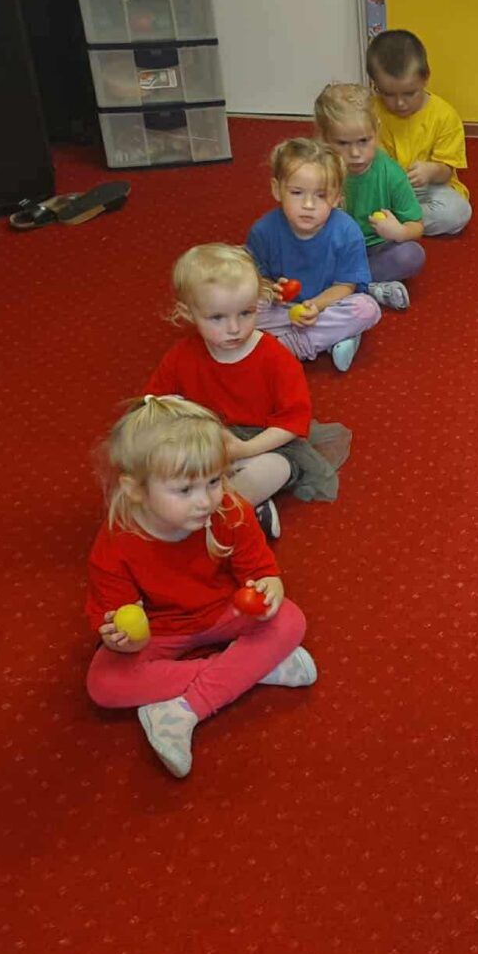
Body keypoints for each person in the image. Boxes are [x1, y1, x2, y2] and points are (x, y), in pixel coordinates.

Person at [84, 395, 317, 779]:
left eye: (214, 481)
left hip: (226, 611)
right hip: (162, 630)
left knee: (290, 620)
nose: (206, 500)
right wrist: (122, 639)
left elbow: (259, 570)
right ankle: (251, 668)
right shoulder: (115, 544)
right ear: (135, 489)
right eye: (184, 490)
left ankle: (181, 711)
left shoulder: (231, 510)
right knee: (103, 683)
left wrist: (269, 587)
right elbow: (116, 620)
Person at [146, 243, 352, 540]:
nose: (234, 328)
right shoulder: (181, 356)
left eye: (246, 313)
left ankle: (222, 516)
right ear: (188, 313)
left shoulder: (276, 357)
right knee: (154, 463)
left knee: (274, 469)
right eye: (217, 318)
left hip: (263, 445)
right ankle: (245, 509)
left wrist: (245, 449)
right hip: (203, 447)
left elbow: (292, 423)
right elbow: (155, 405)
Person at [247, 138, 382, 372]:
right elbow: (255, 281)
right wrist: (271, 289)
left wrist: (316, 306)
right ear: (277, 189)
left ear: (337, 198)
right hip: (282, 310)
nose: (308, 204)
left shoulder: (347, 231)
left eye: (321, 195)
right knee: (236, 306)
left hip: (327, 307)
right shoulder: (263, 231)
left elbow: (346, 285)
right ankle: (332, 338)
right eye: (297, 192)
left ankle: (295, 344)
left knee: (367, 308)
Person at [315, 82, 424, 309]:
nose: (355, 153)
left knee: (411, 255)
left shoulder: (391, 173)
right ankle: (366, 288)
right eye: (342, 143)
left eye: (364, 141)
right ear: (323, 138)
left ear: (377, 130)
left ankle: (342, 287)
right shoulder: (316, 170)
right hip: (330, 250)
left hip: (374, 250)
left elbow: (417, 225)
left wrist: (399, 231)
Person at [366, 29, 473, 236]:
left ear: (425, 78)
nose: (400, 103)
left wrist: (431, 171)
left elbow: (446, 171)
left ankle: (395, 224)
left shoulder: (444, 116)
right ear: (374, 84)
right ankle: (390, 222)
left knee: (457, 212)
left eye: (409, 93)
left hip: (425, 189)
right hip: (381, 188)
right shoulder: (369, 112)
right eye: (388, 94)